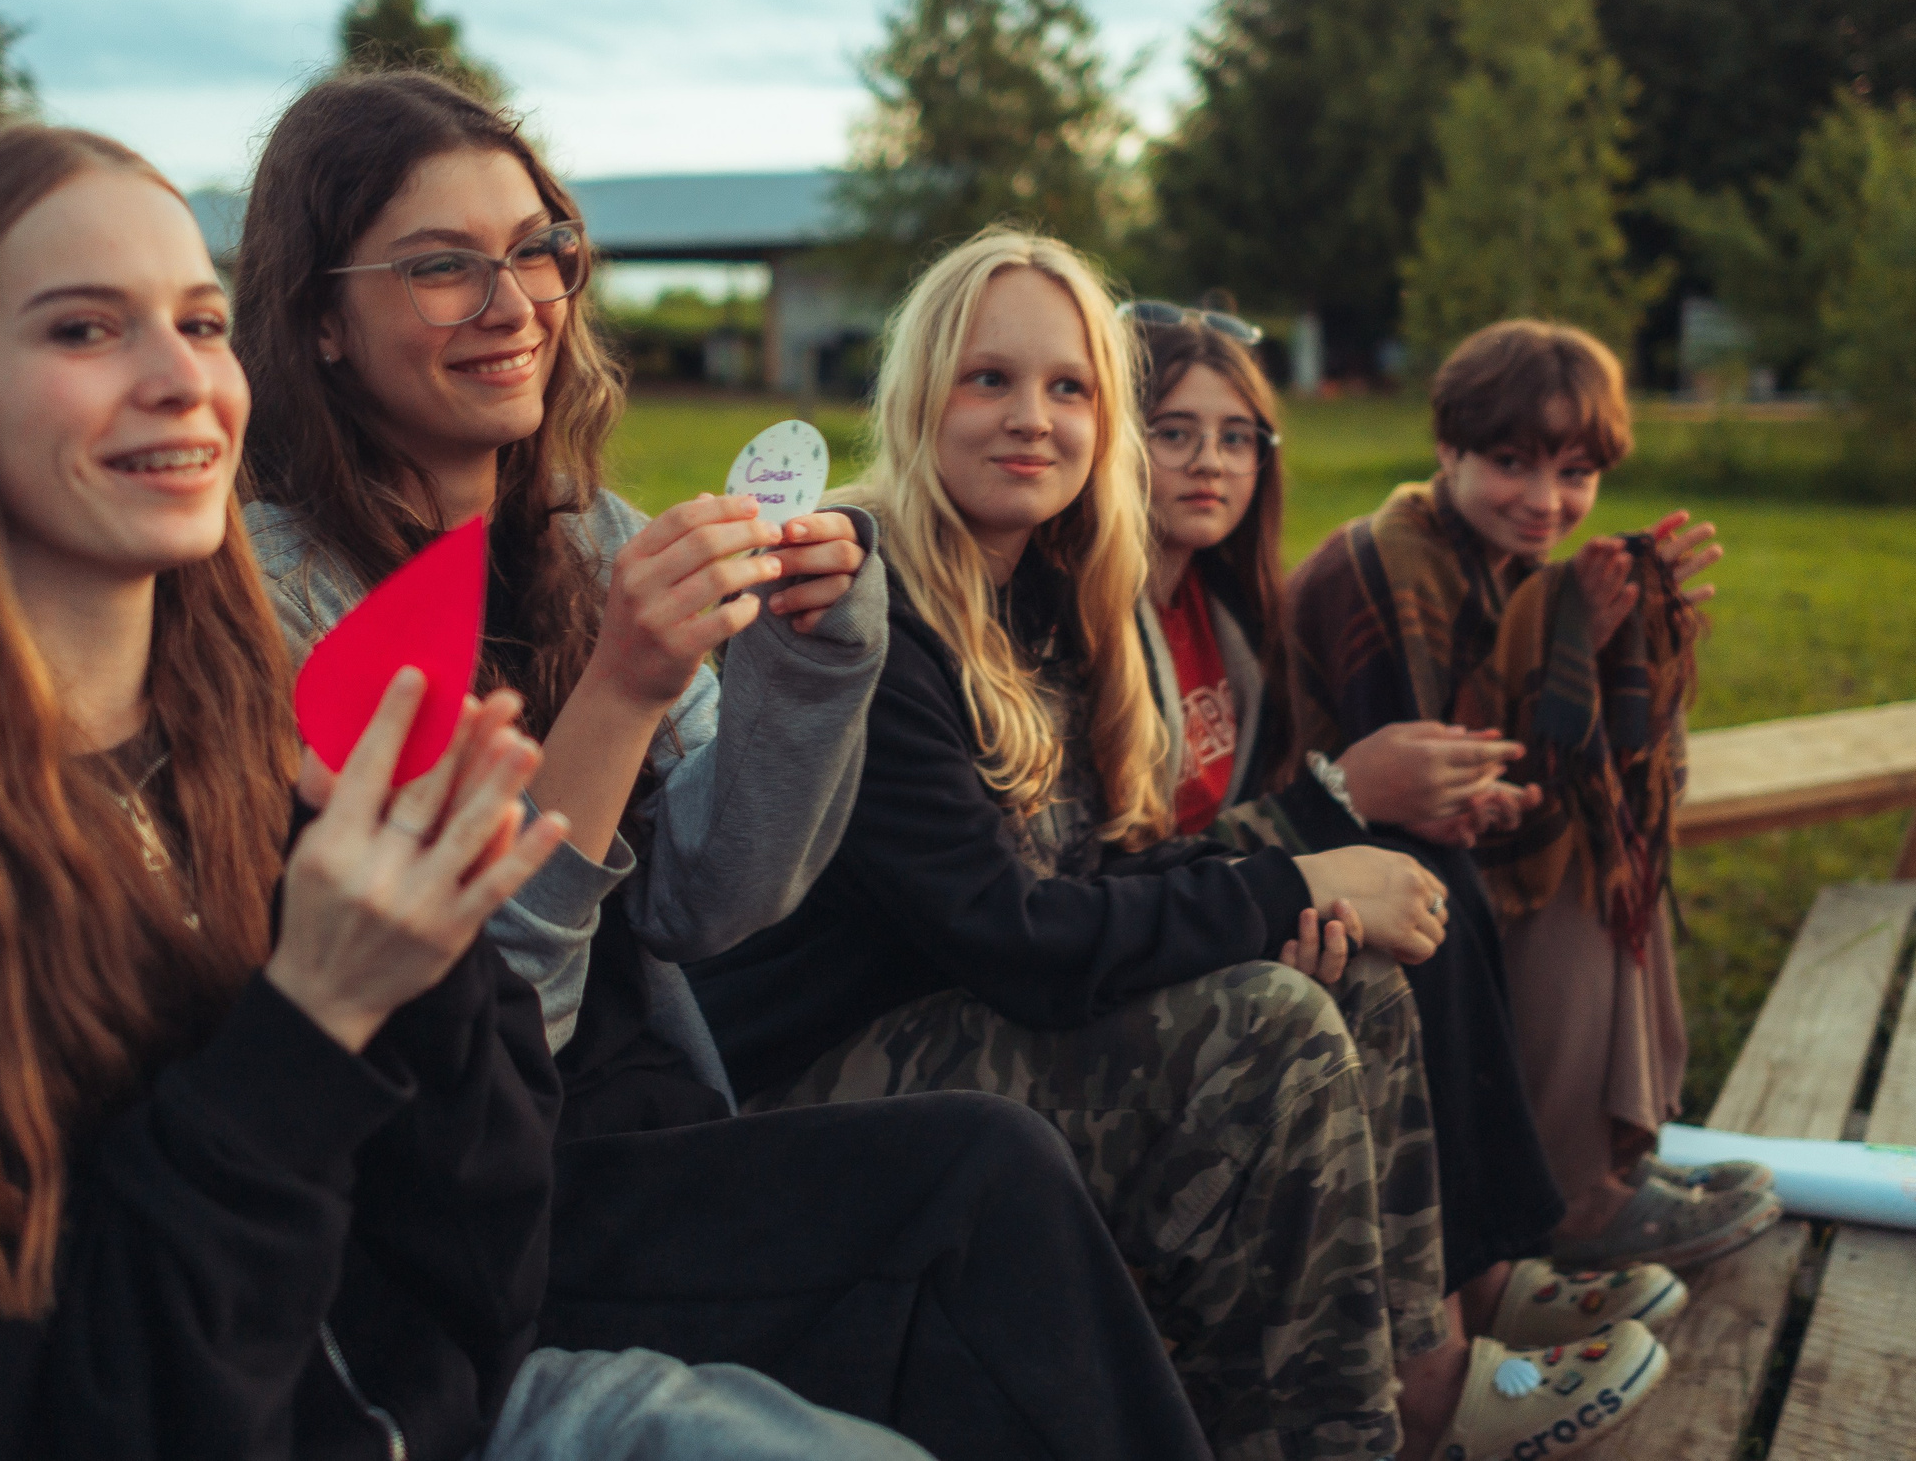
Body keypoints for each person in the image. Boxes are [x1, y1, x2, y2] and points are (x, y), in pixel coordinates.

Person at [0, 121, 958, 1461]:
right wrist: (317, 1012)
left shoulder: (242, 735)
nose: (181, 378)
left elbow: (473, 1257)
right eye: (84, 329)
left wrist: (431, 981)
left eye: (198, 323)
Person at [233, 71, 1213, 1461]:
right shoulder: (281, 604)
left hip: (656, 1126)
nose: (512, 303)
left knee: (984, 1185)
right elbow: (485, 1035)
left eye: (536, 247)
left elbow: (715, 898)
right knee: (979, 1178)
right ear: (321, 319)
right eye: (440, 265)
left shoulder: (586, 538)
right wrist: (622, 691)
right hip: (467, 1209)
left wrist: (807, 667)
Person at [690, 229, 1672, 1461]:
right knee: (1263, 1025)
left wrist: (1293, 898)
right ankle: (1327, 1437)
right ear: (916, 392)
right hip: (800, 1078)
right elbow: (1015, 936)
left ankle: (1422, 1376)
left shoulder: (1046, 595)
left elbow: (1089, 875)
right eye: (986, 378)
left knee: (1354, 979)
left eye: (1068, 387)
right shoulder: (858, 599)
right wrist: (1288, 878)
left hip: (954, 1002)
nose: (1029, 419)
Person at [1136, 313, 1706, 1452]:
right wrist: (1347, 801)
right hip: (1183, 914)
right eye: (1174, 432)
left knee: (1470, 871)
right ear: (1446, 454)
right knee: (1414, 897)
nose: (1211, 462)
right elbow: (1130, 857)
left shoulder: (1219, 605)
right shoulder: (1151, 609)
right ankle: (1444, 1359)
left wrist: (1584, 646)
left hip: (1242, 871)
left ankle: (1488, 1276)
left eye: (1239, 437)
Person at [1285, 319, 1779, 1274]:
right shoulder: (1386, 567)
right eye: (1512, 461)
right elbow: (1432, 778)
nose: (1548, 502)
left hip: (1409, 844)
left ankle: (1605, 1161)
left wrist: (1623, 632)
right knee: (1581, 887)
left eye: (1577, 472)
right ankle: (1573, 1202)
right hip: (1334, 863)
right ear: (1447, 448)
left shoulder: (1492, 556)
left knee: (1612, 847)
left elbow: (1536, 742)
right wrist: (1568, 637)